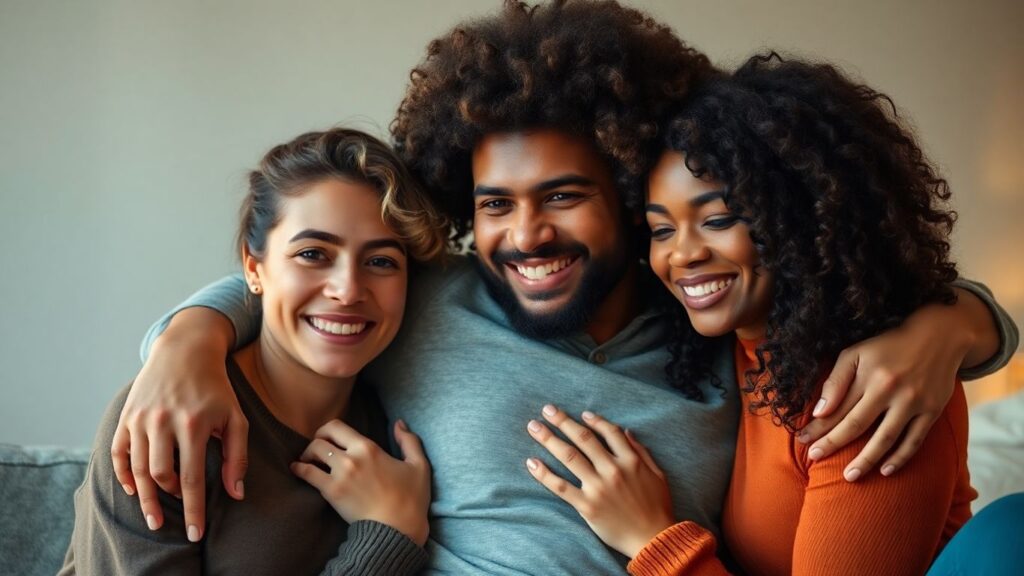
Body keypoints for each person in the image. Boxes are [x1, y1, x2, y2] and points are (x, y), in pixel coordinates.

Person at [113, 2, 1017, 574]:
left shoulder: (707, 318)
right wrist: (188, 339)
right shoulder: (427, 297)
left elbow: (833, 282)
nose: (526, 234)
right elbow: (307, 282)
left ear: (629, 201)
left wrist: (953, 322)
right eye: (495, 204)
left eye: (565, 198)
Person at [522, 54, 998, 575]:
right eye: (661, 230)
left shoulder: (864, 396)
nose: (683, 254)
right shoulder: (733, 341)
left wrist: (653, 540)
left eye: (719, 218)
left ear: (809, 214)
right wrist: (964, 320)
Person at [60, 128, 447, 575]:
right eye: (313, 254)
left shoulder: (397, 440)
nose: (347, 290)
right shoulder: (169, 418)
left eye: (381, 262)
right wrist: (387, 539)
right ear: (253, 267)